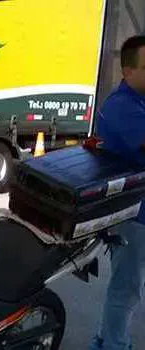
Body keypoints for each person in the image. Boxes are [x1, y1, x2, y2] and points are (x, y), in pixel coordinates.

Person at [89, 35, 145, 350]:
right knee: (126, 289)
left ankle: (106, 341)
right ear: (127, 71)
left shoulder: (140, 101)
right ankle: (112, 345)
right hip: (134, 215)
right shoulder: (123, 106)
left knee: (128, 287)